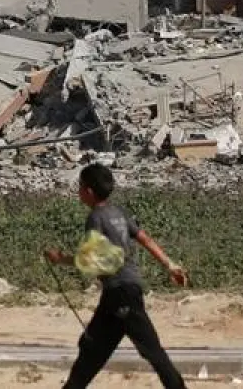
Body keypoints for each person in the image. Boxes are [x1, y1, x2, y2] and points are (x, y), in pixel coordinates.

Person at [44, 163, 189, 388]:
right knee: (90, 347)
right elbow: (145, 239)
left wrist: (59, 258)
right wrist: (169, 265)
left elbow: (91, 260)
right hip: (120, 293)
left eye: (80, 186)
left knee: (152, 351)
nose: (79, 191)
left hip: (122, 294)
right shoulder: (119, 213)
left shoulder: (96, 217)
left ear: (89, 191)